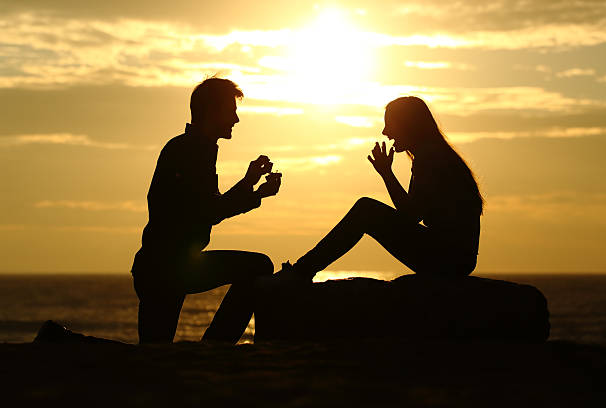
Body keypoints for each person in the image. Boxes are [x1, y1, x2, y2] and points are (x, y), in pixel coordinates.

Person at [131, 77, 281, 344]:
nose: (236, 120)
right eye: (231, 111)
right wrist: (253, 191)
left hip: (170, 265)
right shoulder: (191, 150)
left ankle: (214, 346)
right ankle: (215, 346)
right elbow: (210, 211)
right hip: (167, 268)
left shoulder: (195, 148)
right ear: (213, 111)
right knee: (259, 266)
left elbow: (209, 206)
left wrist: (250, 185)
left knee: (152, 353)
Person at [277, 96, 483, 281]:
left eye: (389, 124)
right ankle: (303, 269)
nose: (385, 132)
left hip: (448, 258)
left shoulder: (430, 158)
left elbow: (410, 215)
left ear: (407, 125)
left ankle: (301, 272)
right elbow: (413, 213)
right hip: (456, 258)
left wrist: (387, 174)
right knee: (366, 210)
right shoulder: (433, 154)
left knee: (365, 210)